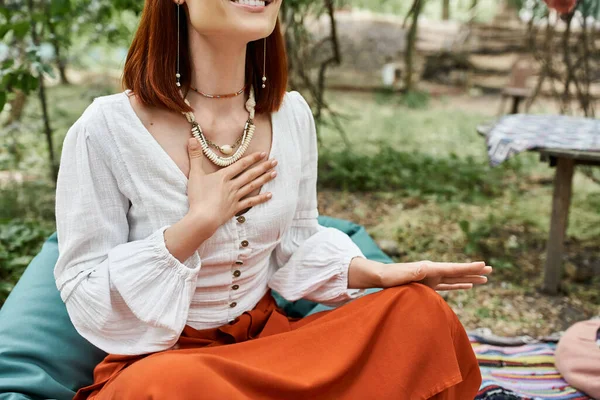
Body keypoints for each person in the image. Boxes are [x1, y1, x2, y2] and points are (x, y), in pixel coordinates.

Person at [53, 0, 492, 398]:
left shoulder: (292, 115)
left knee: (418, 311)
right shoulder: (106, 128)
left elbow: (297, 244)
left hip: (271, 346)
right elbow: (82, 286)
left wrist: (379, 273)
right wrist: (198, 223)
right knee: (174, 386)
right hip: (164, 364)